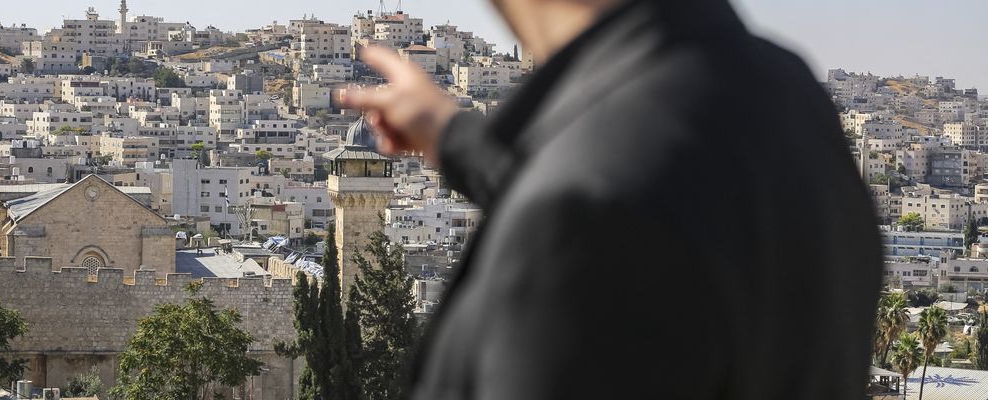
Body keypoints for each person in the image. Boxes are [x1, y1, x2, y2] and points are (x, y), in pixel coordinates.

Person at [341, 0, 883, 398]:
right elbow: (657, 195)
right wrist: (453, 138)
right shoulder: (790, 96)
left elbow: (593, 228)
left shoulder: (581, 219)